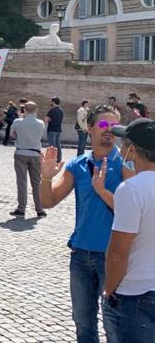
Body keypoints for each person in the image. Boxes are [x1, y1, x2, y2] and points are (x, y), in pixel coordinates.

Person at [40, 104, 133, 343]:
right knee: (83, 323)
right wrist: (46, 177)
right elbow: (48, 201)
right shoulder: (78, 165)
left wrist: (102, 191)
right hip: (81, 254)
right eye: (103, 124)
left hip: (113, 255)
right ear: (89, 128)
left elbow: (133, 212)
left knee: (115, 325)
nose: (109, 129)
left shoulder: (127, 165)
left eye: (114, 125)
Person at [103, 118, 155, 343]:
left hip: (136, 293)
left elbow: (117, 253)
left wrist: (109, 290)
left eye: (123, 145)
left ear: (132, 150)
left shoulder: (131, 189)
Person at [9, 101, 46, 218]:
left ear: (24, 110)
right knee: (37, 183)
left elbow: (12, 134)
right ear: (36, 110)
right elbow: (40, 136)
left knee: (22, 182)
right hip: (35, 153)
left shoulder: (17, 122)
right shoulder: (41, 123)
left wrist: (21, 119)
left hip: (21, 152)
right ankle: (39, 209)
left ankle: (21, 209)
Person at [46, 96, 65, 162]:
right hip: (58, 130)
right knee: (58, 146)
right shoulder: (61, 111)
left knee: (52, 146)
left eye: (51, 101)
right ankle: (59, 159)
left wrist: (50, 119)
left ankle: (52, 160)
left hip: (51, 130)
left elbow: (46, 119)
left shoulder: (51, 110)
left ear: (53, 102)